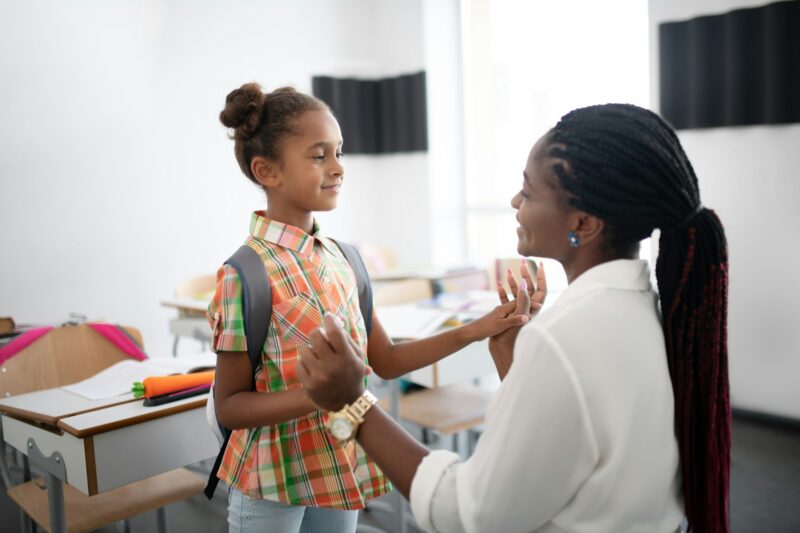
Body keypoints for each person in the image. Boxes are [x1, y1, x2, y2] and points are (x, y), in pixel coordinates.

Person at [297, 103, 730, 533]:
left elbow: (471, 515)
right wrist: (517, 370)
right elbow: (581, 442)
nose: (515, 201)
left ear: (583, 222)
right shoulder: (646, 309)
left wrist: (353, 403)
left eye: (529, 191)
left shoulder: (567, 336)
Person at [208, 82, 535, 533]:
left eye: (339, 152)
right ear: (267, 171)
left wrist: (474, 329)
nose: (338, 167)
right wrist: (324, 394)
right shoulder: (244, 273)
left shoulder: (347, 260)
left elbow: (386, 360)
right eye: (319, 155)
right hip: (270, 481)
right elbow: (229, 406)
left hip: (338, 467)